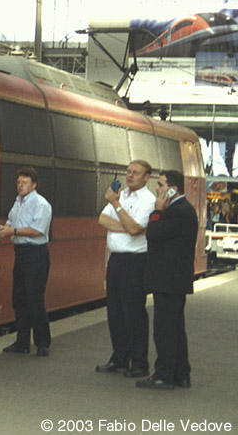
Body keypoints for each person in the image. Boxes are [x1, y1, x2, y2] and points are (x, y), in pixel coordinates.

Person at [136, 170, 197, 390]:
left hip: (168, 279)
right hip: (174, 280)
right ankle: (181, 374)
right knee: (175, 329)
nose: (157, 189)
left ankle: (163, 375)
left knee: (165, 329)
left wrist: (156, 212)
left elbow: (153, 234)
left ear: (173, 189)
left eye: (160, 185)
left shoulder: (176, 211)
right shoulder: (184, 210)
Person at [95, 160, 156, 378]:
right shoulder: (120, 194)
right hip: (116, 259)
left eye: (136, 173)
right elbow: (103, 219)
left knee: (134, 312)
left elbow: (136, 228)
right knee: (115, 311)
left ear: (147, 177)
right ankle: (120, 357)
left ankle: (139, 362)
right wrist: (127, 226)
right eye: (128, 172)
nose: (130, 176)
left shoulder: (149, 200)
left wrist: (118, 208)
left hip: (135, 262)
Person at [0, 166, 53, 356]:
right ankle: (22, 342)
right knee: (19, 298)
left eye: (24, 182)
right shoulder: (17, 203)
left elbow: (38, 230)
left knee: (34, 299)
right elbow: (12, 223)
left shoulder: (41, 204)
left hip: (36, 253)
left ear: (34, 185)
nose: (20, 186)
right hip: (20, 253)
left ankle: (42, 343)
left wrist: (13, 231)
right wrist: (2, 230)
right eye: (19, 182)